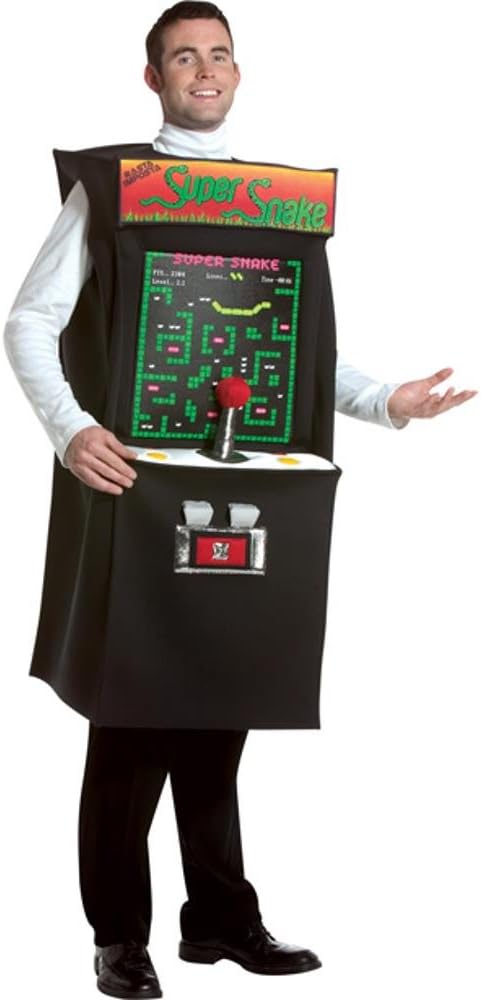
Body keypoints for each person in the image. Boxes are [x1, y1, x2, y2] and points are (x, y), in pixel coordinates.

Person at [3, 3, 477, 999]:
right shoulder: (112, 186)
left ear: (237, 70)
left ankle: (218, 919)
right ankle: (118, 936)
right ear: (154, 78)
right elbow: (31, 321)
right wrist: (71, 429)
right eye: (184, 57)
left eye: (217, 54)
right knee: (131, 714)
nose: (204, 70)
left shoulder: (277, 203)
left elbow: (296, 346)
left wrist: (384, 401)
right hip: (135, 481)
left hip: (243, 483)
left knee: (221, 702)